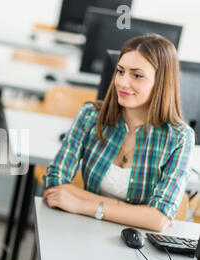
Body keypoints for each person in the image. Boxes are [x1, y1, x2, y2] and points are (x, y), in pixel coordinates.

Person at [43, 33, 195, 232]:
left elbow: (158, 219)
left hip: (137, 246)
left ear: (161, 82)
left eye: (137, 75)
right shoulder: (91, 116)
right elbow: (55, 185)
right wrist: (137, 213)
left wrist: (82, 204)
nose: (123, 82)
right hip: (82, 229)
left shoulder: (180, 138)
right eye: (120, 71)